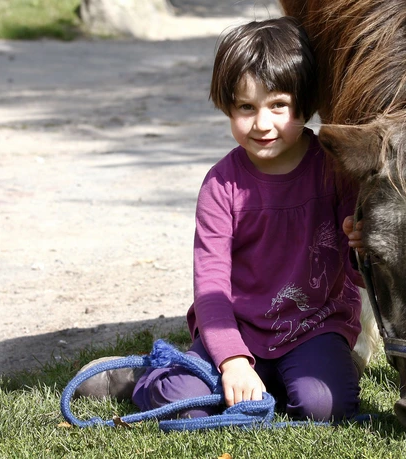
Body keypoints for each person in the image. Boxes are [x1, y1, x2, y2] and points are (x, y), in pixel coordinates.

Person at [75, 17, 366, 422]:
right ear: (227, 106)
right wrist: (231, 360)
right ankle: (141, 376)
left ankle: (315, 371)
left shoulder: (335, 171)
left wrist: (361, 249)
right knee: (185, 406)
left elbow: (362, 274)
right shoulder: (220, 185)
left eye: (278, 105)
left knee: (324, 406)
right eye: (246, 107)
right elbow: (210, 285)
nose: (262, 124)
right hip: (237, 327)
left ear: (307, 102)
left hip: (313, 325)